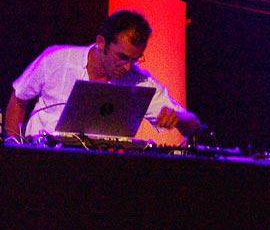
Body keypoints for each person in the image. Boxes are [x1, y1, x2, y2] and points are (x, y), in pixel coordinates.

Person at [4, 9, 202, 140]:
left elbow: (193, 125)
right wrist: (13, 150)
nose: (127, 67)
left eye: (135, 59)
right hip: (43, 161)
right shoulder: (57, 59)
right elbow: (19, 98)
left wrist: (179, 118)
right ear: (101, 42)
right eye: (122, 57)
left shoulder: (139, 82)